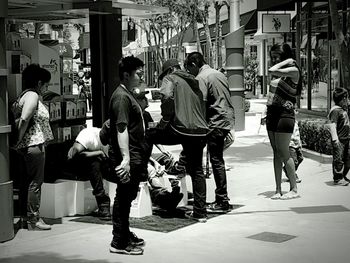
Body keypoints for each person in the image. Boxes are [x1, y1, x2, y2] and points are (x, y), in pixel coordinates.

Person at [148, 59, 209, 222]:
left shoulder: (170, 78)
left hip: (181, 128)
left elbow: (167, 96)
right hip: (200, 130)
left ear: (169, 70)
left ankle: (145, 173)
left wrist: (166, 120)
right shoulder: (194, 80)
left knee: (148, 136)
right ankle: (200, 213)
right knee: (197, 170)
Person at [184, 52, 235, 213]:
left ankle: (222, 199)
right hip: (226, 119)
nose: (189, 73)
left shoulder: (201, 77)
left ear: (193, 64)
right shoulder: (218, 73)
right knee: (217, 158)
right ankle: (222, 198)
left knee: (215, 160)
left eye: (188, 69)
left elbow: (201, 103)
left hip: (215, 122)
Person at [108, 56, 149, 255]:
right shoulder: (121, 97)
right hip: (128, 156)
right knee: (124, 197)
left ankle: (123, 233)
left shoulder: (127, 94)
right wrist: (125, 159)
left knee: (127, 195)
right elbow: (121, 128)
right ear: (126, 74)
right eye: (138, 73)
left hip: (135, 154)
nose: (141, 76)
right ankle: (119, 241)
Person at [11, 64, 54, 230]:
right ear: (38, 82)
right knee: (35, 183)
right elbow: (25, 117)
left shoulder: (24, 95)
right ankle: (33, 219)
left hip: (27, 146)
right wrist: (19, 140)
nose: (46, 88)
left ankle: (25, 217)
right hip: (33, 144)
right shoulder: (33, 95)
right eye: (46, 84)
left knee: (27, 182)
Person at [265, 43, 302, 200]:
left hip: (285, 115)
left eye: (276, 56)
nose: (273, 59)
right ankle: (278, 189)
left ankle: (294, 189)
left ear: (285, 57)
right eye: (272, 56)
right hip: (272, 114)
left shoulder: (293, 71)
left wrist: (288, 61)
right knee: (276, 153)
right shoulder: (279, 74)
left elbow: (271, 70)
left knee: (284, 152)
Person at [66, 120, 112, 220]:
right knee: (94, 162)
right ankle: (103, 202)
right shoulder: (89, 135)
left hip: (103, 166)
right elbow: (71, 155)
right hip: (79, 166)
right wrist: (97, 153)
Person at [327, 88, 350, 186]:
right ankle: (337, 178)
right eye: (346, 98)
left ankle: (343, 175)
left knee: (347, 159)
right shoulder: (335, 110)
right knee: (338, 159)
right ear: (342, 99)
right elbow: (332, 125)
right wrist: (335, 139)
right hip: (339, 140)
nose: (348, 100)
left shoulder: (343, 109)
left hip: (346, 139)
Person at [283, 119, 303, 183]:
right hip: (290, 144)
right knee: (294, 161)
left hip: (297, 144)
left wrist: (300, 143)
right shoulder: (287, 122)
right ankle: (293, 176)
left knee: (300, 158)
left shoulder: (296, 122)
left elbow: (298, 134)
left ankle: (287, 169)